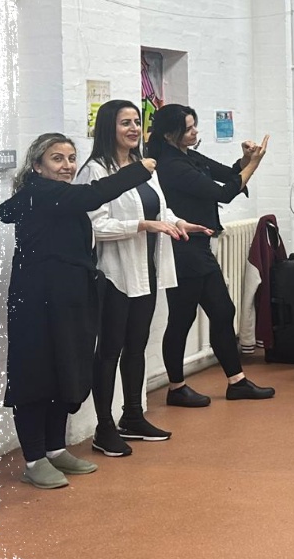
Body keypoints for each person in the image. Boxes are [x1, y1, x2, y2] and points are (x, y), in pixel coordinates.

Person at [0, 132, 153, 488]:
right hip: (36, 303)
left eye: (71, 158)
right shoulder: (41, 192)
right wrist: (139, 169)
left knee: (63, 371)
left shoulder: (57, 196)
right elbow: (94, 194)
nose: (67, 166)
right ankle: (34, 459)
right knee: (35, 376)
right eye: (57, 159)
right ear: (37, 166)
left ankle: (55, 449)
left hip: (67, 300)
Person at [76, 100, 211, 456]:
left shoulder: (143, 166)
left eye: (137, 121)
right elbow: (95, 226)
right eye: (126, 123)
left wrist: (179, 223)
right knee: (109, 351)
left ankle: (133, 416)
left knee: (136, 346)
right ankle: (103, 428)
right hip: (114, 274)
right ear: (109, 127)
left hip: (146, 271)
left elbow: (159, 209)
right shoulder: (95, 171)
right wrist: (142, 225)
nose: (134, 128)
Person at [148, 104, 275, 406]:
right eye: (188, 128)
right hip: (183, 248)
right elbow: (223, 193)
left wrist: (245, 159)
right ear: (169, 134)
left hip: (199, 247)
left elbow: (228, 174)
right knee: (182, 318)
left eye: (194, 126)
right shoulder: (171, 165)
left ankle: (236, 381)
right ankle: (176, 387)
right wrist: (255, 164)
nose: (195, 132)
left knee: (222, 311)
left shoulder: (188, 156)